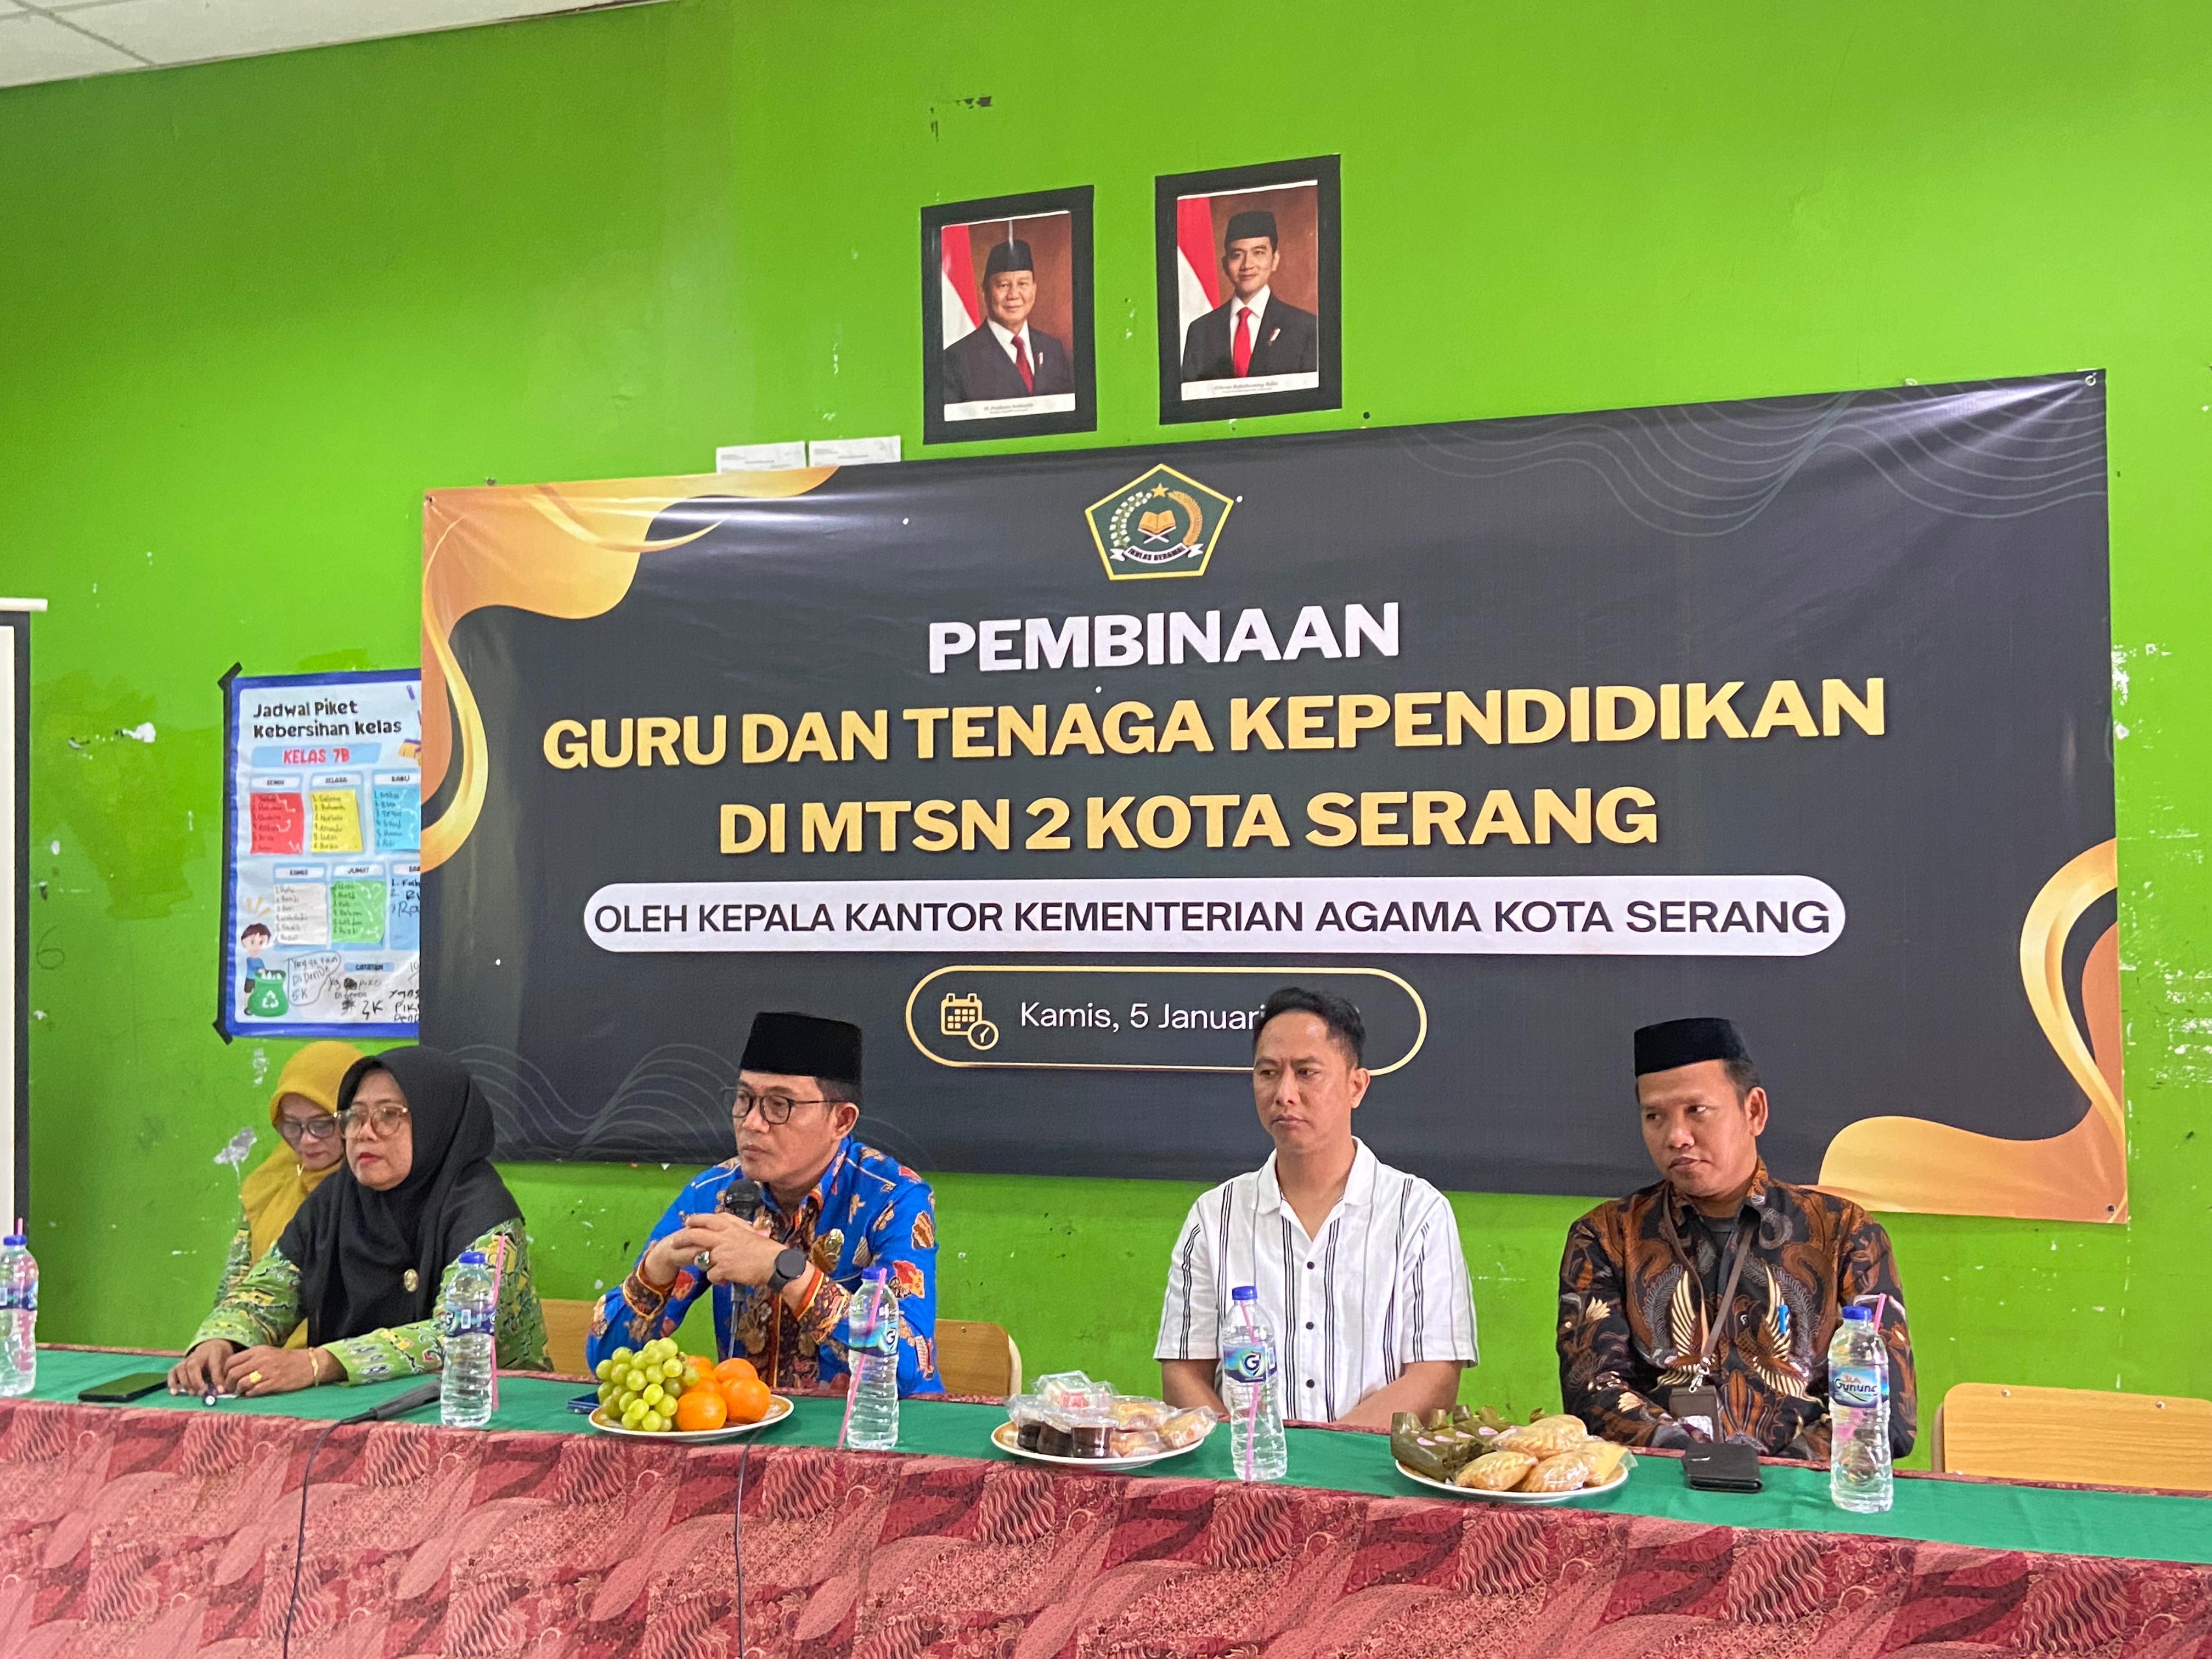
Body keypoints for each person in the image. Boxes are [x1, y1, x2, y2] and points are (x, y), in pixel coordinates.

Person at [1557, 1017, 1917, 1459]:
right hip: (1665, 1485)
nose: (1676, 1136)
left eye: (1697, 1110)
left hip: (1802, 1490)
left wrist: (1774, 1474)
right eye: (1654, 1117)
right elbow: (1593, 1394)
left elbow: (1884, 1412)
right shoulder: (1607, 1237)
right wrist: (1703, 1464)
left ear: (1754, 1112)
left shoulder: (1845, 1233)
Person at [1155, 986, 1477, 1427]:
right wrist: (1253, 1452)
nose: (1284, 1093)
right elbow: (1182, 1372)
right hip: (1246, 1464)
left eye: (1307, 1072)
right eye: (1268, 1073)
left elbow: (1435, 1376)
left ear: (1356, 1086)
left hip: (1372, 1465)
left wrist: (1325, 1455)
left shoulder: (1417, 1213)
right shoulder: (1215, 1218)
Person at [586, 1011, 942, 1395]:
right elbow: (608, 1363)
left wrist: (785, 1271)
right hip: (751, 1421)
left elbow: (907, 1366)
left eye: (779, 1105)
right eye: (744, 1099)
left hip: (869, 1427)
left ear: (841, 1120)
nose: (752, 1123)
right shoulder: (713, 1193)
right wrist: (656, 1270)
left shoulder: (893, 1198)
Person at [168, 1047, 547, 1396]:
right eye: (354, 1117)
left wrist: (320, 1363)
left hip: (489, 1409)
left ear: (435, 1121)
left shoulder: (484, 1213)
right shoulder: (335, 1199)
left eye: (388, 1115)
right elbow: (267, 1292)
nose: (364, 1133)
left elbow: (457, 1336)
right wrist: (221, 1340)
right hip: (356, 1407)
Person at [207, 1039, 365, 1345]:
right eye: (292, 1126)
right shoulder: (271, 1183)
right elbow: (235, 1290)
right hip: (261, 1357)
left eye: (322, 1125)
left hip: (347, 1361)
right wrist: (221, 1342)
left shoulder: (377, 1190)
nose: (306, 1141)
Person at [1180, 208, 1321, 383]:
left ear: (1275, 260)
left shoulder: (1306, 328)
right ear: (1225, 264)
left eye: (1258, 253)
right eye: (1237, 255)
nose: (1247, 265)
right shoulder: (1200, 330)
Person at [942, 236, 1075, 404]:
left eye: (1023, 284)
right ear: (985, 292)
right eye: (1003, 285)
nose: (1013, 295)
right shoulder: (956, 359)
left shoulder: (1053, 349)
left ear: (1034, 289)